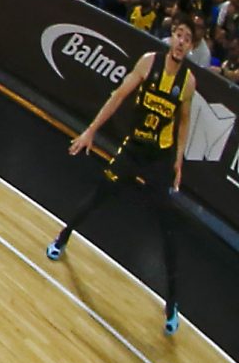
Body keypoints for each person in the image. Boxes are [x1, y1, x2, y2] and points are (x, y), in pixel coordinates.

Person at [47, 19, 195, 336]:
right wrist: (90, 131)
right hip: (134, 148)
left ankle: (172, 303)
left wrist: (178, 159)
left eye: (187, 39)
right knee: (100, 194)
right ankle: (63, 236)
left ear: (191, 47)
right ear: (171, 37)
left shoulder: (188, 82)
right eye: (178, 35)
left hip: (159, 158)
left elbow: (184, 121)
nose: (181, 42)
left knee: (167, 227)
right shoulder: (149, 63)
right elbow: (117, 97)